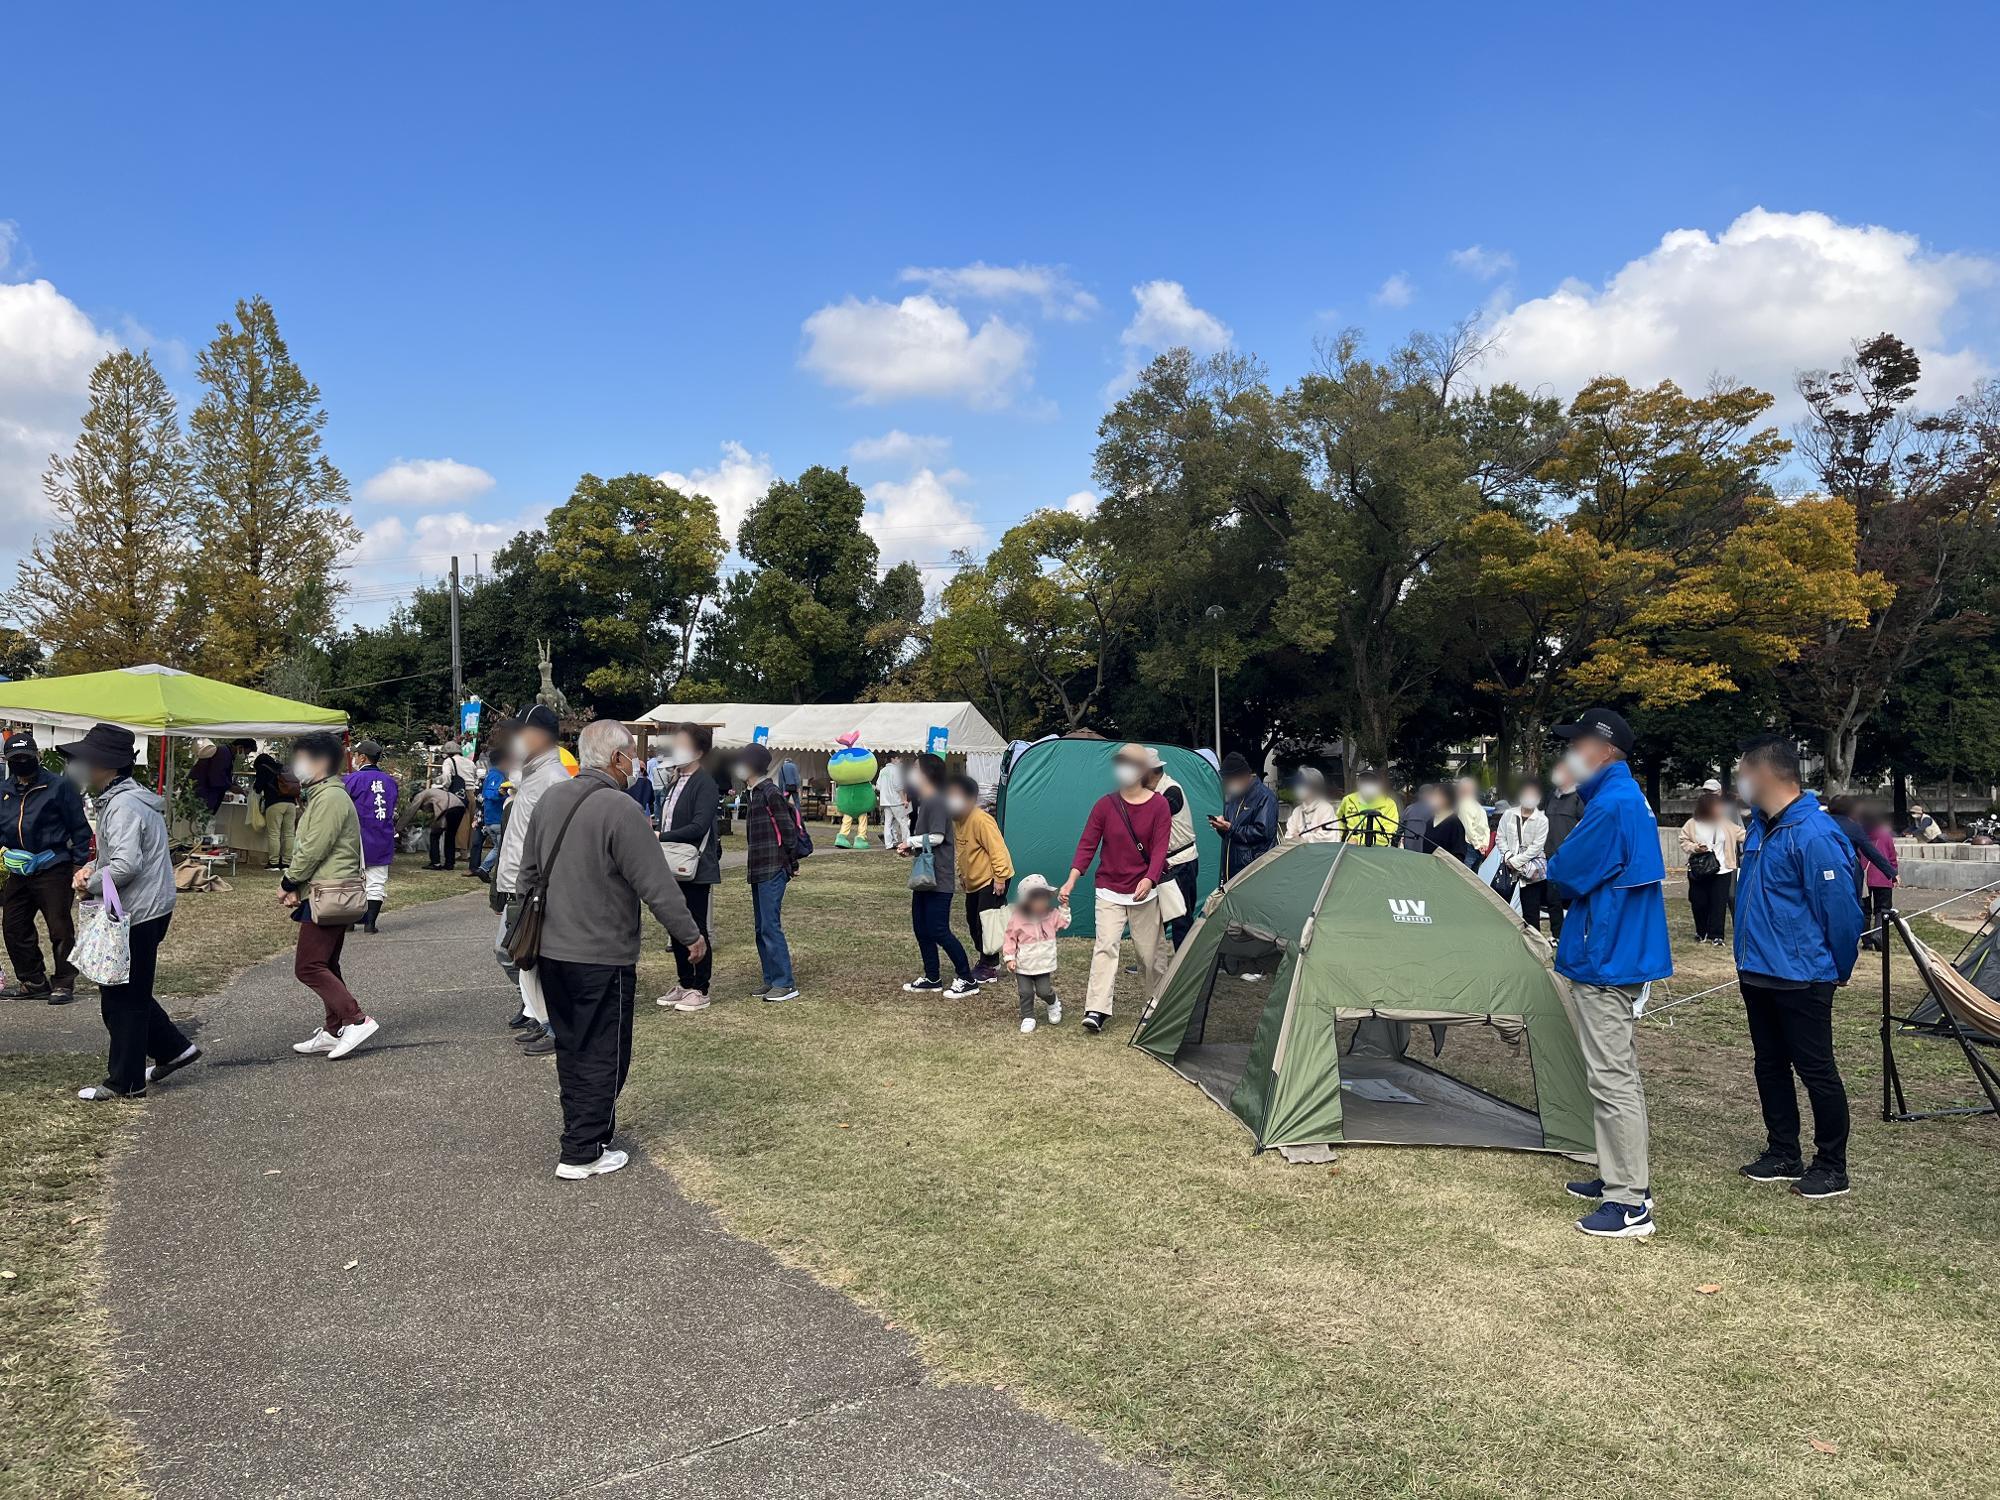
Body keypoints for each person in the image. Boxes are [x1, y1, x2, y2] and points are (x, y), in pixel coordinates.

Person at [514, 720, 706, 1180]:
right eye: (631, 756)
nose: (636, 764)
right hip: (602, 954)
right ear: (618, 759)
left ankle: (581, 1134)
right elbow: (656, 884)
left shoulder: (550, 799)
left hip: (552, 949)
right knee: (605, 1050)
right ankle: (583, 1149)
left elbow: (527, 873)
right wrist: (690, 935)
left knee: (573, 1046)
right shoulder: (621, 810)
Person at [1546, 708, 1671, 1239]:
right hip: (1618, 949)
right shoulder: (1626, 798)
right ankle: (1617, 1176)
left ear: (1602, 749)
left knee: (1612, 1075)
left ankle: (1629, 1201)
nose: (1567, 755)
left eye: (1574, 745)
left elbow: (1565, 871)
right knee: (1612, 1071)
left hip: (1607, 955)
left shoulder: (1611, 804)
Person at [1731, 735, 1863, 1200]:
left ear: (1764, 774)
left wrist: (1838, 966)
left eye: (1743, 772)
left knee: (1816, 1068)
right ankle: (1782, 1151)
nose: (1738, 781)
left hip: (1802, 974)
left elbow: (1842, 912)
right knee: (1769, 1064)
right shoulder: (1758, 828)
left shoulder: (1814, 833)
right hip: (1757, 970)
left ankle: (1831, 1164)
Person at [60, 724, 199, 1100]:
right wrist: (94, 866)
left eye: (85, 760)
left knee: (122, 999)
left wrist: (87, 881)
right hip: (145, 908)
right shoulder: (124, 799)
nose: (80, 767)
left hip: (137, 911)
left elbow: (124, 866)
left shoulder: (121, 805)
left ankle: (126, 1081)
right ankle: (174, 1049)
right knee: (127, 989)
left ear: (106, 765)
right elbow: (117, 858)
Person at [282, 732, 380, 1061]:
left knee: (308, 966)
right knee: (325, 963)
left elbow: (313, 848)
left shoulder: (330, 798)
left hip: (328, 890)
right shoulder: (324, 795)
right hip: (325, 888)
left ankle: (355, 1019)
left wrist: (289, 881)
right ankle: (333, 1028)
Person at [1062, 743, 1172, 1034]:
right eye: (1119, 762)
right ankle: (1096, 1009)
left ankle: (1154, 1004)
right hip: (1108, 889)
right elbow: (1087, 844)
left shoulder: (1159, 804)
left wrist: (1149, 879)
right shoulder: (1105, 805)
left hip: (1145, 892)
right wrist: (1072, 879)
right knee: (1105, 947)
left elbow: (1161, 849)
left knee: (1149, 954)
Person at [495, 706, 570, 1053]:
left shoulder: (554, 779)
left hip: (536, 885)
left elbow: (556, 838)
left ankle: (554, 1024)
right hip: (517, 881)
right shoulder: (531, 775)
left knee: (528, 954)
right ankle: (541, 1017)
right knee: (519, 954)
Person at [0, 730, 93, 1004]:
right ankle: (33, 980)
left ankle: (64, 982)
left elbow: (79, 828)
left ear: (37, 756)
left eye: (26, 757)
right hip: (19, 867)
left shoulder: (59, 786)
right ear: (7, 760)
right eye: (15, 758)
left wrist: (78, 865)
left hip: (53, 865)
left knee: (59, 927)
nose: (21, 762)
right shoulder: (3, 790)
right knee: (13, 926)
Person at [654, 722, 723, 1013]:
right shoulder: (675, 779)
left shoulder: (704, 782)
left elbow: (698, 826)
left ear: (697, 750)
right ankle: (684, 982)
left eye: (681, 743)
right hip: (672, 861)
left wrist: (661, 836)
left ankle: (700, 986)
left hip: (693, 865)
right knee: (675, 923)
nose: (675, 749)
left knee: (695, 924)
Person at [899, 753, 978, 997]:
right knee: (921, 928)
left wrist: (909, 841)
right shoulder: (927, 800)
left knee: (938, 929)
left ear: (925, 773)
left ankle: (967, 978)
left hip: (938, 878)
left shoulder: (936, 800)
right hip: (926, 877)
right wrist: (912, 847)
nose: (911, 772)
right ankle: (932, 977)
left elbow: (937, 837)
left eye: (914, 768)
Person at [739, 742, 801, 1002]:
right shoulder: (753, 793)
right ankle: (770, 979)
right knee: (760, 927)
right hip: (758, 867)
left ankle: (784, 983)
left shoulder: (770, 792)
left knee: (770, 926)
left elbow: (788, 831)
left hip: (773, 867)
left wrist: (790, 862)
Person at [949, 772, 1013, 983]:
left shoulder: (981, 820)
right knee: (972, 920)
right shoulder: (958, 820)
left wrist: (1000, 878)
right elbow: (962, 851)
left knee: (987, 922)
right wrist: (962, 875)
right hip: (974, 881)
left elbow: (998, 850)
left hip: (992, 878)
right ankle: (986, 959)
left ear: (971, 799)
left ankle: (989, 965)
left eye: (956, 795)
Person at [1144, 751, 1201, 947]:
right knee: (1154, 917)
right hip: (1163, 864)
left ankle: (1183, 967)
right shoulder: (1153, 792)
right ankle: (1151, 959)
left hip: (1180, 863)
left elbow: (1152, 818)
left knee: (1180, 918)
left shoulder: (1171, 791)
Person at [1002, 874, 1070, 1034]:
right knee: (1025, 992)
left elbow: (1064, 922)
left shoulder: (1052, 915)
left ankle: (1053, 1003)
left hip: (1043, 964)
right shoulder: (1017, 918)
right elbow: (1009, 938)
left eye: (1044, 899)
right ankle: (1028, 1016)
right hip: (1023, 964)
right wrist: (1009, 958)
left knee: (1043, 990)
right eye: (1036, 900)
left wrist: (1065, 907)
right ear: (1026, 901)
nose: (1041, 903)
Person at [343, 739, 399, 933]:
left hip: (355, 836)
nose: (355, 758)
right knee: (377, 880)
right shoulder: (390, 781)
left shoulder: (351, 780)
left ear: (362, 757)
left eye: (356, 755)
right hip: (383, 834)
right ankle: (370, 923)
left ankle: (349, 922)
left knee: (352, 879)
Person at [1678, 789, 1745, 947]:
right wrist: (1695, 847)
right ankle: (1701, 931)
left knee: (1719, 903)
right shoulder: (1692, 824)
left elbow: (1742, 834)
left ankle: (1717, 935)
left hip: (1722, 869)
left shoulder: (1725, 823)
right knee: (1698, 901)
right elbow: (1683, 840)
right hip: (1700, 869)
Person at [1211, 752, 1277, 882]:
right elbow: (1231, 832)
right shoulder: (1235, 797)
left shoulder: (1265, 797)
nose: (1228, 785)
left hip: (1254, 870)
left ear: (1242, 776)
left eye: (1229, 780)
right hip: (1232, 869)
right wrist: (1221, 826)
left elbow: (1263, 832)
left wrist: (1230, 828)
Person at [1496, 781, 1550, 929]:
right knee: (1500, 907)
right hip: (1508, 868)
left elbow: (1537, 847)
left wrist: (1516, 862)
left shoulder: (1542, 820)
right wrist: (1508, 857)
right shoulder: (1509, 814)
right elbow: (1500, 837)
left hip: (1531, 871)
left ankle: (1533, 945)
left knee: (1531, 912)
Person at [1542, 761, 1584, 939]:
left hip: (1572, 857)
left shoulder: (1579, 796)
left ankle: (1579, 932)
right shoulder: (1552, 796)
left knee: (1575, 897)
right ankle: (1557, 934)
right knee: (1553, 898)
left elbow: (1585, 825)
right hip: (1550, 855)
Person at [469, 731, 513, 879]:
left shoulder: (492, 775)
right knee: (501, 848)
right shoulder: (496, 776)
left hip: (490, 820)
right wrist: (501, 793)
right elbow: (488, 794)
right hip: (495, 819)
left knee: (498, 847)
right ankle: (484, 868)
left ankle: (487, 870)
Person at [425, 743, 475, 870]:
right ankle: (451, 861)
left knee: (440, 829)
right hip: (470, 795)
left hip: (454, 797)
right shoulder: (469, 762)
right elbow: (474, 776)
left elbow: (447, 777)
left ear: (447, 752)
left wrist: (445, 788)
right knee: (460, 829)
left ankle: (436, 861)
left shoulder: (448, 761)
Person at [1858, 805, 1898, 952]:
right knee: (1883, 909)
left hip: (1864, 877)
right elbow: (1891, 856)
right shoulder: (1885, 834)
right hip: (1883, 875)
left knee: (1865, 911)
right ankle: (1879, 935)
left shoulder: (1859, 833)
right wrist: (1894, 872)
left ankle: (1866, 940)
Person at [252, 751, 300, 869]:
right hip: (291, 803)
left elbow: (257, 788)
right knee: (289, 834)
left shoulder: (263, 768)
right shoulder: (283, 768)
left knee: (274, 834)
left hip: (274, 803)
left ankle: (274, 862)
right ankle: (287, 862)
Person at [1336, 766, 1400, 847]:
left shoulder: (1389, 804)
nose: (1367, 784)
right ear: (1358, 782)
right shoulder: (1348, 800)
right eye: (1364, 780)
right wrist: (1337, 841)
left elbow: (1388, 833)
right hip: (1349, 848)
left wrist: (1359, 841)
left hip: (1378, 850)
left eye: (1371, 781)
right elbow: (1339, 823)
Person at [1283, 768, 1342, 843]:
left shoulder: (1326, 809)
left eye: (1302, 784)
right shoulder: (1297, 811)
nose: (1298, 788)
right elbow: (1289, 836)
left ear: (1314, 787)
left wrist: (1302, 837)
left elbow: (1327, 838)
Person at [1416, 782, 1467, 863]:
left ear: (1447, 799)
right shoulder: (1429, 820)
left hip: (1442, 870)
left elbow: (1458, 854)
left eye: (1437, 796)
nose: (1432, 799)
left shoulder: (1455, 823)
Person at [1453, 777, 1491, 869]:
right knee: (1472, 877)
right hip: (1478, 846)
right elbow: (1484, 827)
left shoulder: (1465, 804)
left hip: (1472, 845)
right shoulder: (1477, 806)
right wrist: (1484, 844)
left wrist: (1479, 844)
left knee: (1465, 876)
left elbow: (1468, 828)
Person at [876, 754, 910, 849]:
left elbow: (878, 786)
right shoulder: (896, 770)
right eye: (898, 758)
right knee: (903, 821)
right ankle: (906, 842)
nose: (900, 760)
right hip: (896, 800)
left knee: (888, 823)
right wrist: (904, 799)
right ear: (893, 759)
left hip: (885, 800)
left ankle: (888, 844)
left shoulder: (882, 771)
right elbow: (898, 786)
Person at [1397, 783, 1436, 854]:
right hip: (1426, 851)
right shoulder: (1435, 811)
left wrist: (1395, 842)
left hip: (1409, 850)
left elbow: (1399, 829)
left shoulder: (1409, 809)